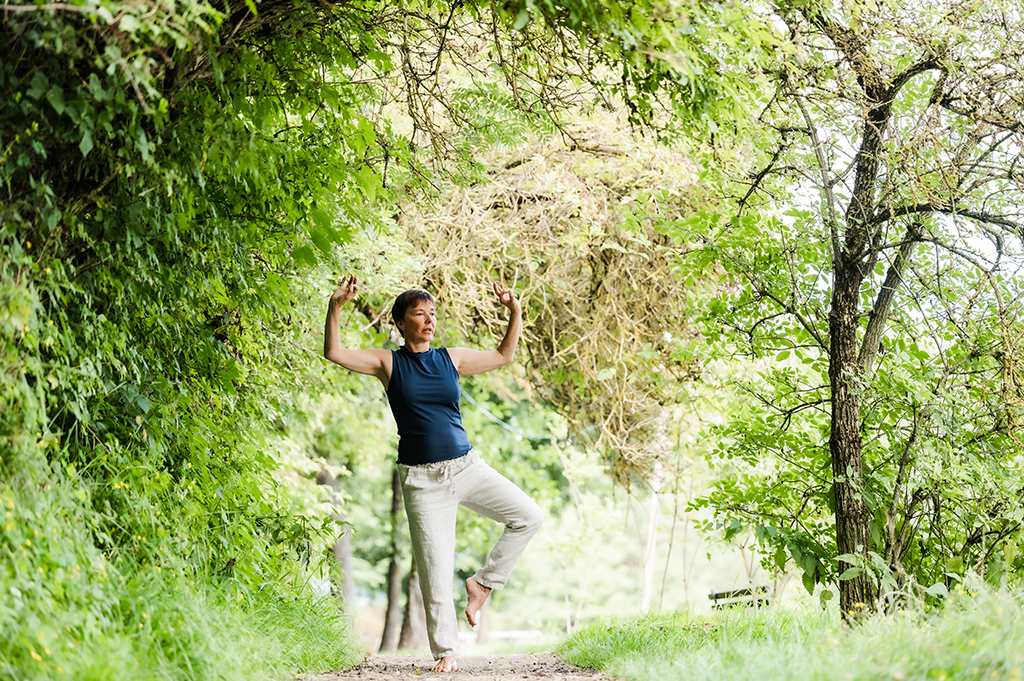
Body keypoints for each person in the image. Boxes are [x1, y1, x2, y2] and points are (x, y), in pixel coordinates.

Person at [323, 275, 543, 673]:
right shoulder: (388, 362)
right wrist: (335, 306)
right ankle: (446, 651)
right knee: (435, 568)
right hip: (422, 481)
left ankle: (484, 583)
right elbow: (334, 352)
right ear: (401, 323)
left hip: (467, 466)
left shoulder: (451, 358)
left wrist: (515, 311)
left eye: (432, 314)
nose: (428, 320)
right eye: (419, 314)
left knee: (529, 516)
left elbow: (503, 356)